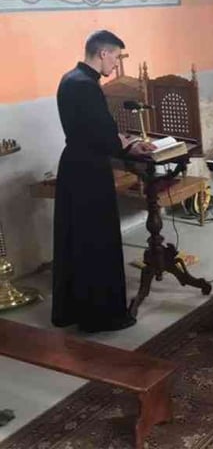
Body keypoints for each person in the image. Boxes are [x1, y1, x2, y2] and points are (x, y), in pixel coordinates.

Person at [52, 30, 155, 333]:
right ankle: (101, 317)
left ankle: (74, 310)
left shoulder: (70, 79)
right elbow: (102, 135)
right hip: (89, 171)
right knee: (96, 242)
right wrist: (127, 145)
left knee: (78, 240)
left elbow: (94, 130)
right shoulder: (86, 86)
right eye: (116, 57)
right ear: (103, 53)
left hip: (75, 165)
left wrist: (120, 141)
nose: (116, 64)